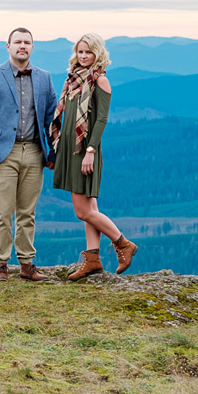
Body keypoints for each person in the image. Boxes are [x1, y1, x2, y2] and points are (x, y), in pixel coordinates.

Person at [50, 33, 137, 280]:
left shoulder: (100, 81)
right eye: (80, 52)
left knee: (82, 211)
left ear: (97, 53)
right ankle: (92, 259)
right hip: (70, 148)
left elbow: (101, 119)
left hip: (85, 150)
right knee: (90, 206)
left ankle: (123, 243)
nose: (84, 56)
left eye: (88, 52)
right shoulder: (74, 79)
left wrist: (90, 151)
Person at [0, 27, 57, 282]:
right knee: (2, 210)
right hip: (1, 155)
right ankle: (0, 264)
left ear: (33, 47)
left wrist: (53, 152)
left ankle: (27, 264)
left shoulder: (44, 77)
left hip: (34, 152)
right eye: (18, 42)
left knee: (27, 211)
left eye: (27, 42)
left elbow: (52, 119)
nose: (23, 46)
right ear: (7, 46)